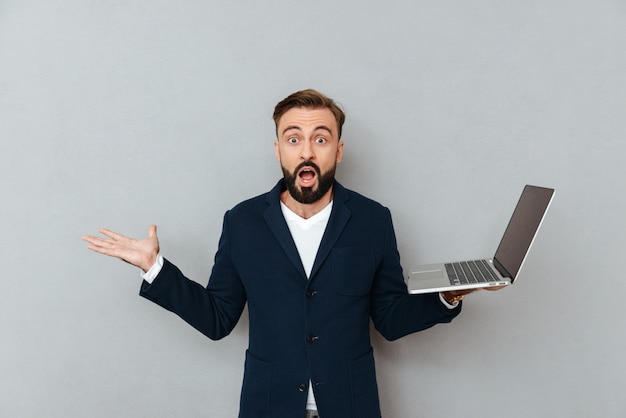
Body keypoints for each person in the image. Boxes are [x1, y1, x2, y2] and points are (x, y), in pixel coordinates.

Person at [83, 89, 496, 418]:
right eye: (293, 138)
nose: (307, 151)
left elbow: (388, 319)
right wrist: (154, 267)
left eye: (321, 138)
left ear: (338, 150)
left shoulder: (373, 220)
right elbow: (217, 318)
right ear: (278, 149)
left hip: (350, 407)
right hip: (269, 407)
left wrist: (449, 295)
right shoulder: (242, 222)